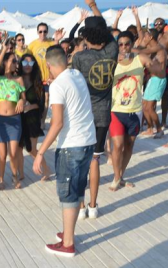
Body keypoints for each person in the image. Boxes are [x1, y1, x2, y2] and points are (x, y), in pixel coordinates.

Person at [34, 46, 96, 257]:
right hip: (88, 141)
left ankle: (68, 243)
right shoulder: (76, 75)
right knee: (77, 190)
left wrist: (40, 153)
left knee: (68, 194)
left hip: (71, 145)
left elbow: (57, 123)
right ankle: (68, 233)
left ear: (48, 65)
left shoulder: (57, 85)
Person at [71, 1, 117, 219]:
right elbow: (107, 31)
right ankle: (93, 206)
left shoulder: (79, 58)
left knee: (81, 162)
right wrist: (94, 6)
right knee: (95, 160)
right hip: (102, 115)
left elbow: (75, 88)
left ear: (86, 37)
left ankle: (80, 208)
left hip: (82, 116)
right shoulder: (113, 51)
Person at [109, 31, 158, 191]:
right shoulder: (112, 61)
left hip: (135, 110)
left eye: (127, 44)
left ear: (132, 44)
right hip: (116, 109)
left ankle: (121, 176)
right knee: (118, 145)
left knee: (129, 145)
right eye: (121, 44)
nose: (124, 47)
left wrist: (154, 65)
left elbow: (157, 69)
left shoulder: (140, 59)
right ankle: (116, 177)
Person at [0, 40, 26, 190]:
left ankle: (14, 176)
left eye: (16, 61)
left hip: (14, 120)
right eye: (13, 61)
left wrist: (22, 101)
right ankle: (0, 179)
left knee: (13, 153)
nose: (16, 64)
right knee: (2, 154)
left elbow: (24, 97)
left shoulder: (18, 79)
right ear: (5, 62)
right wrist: (3, 51)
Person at [19, 53, 49, 181]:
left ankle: (46, 170)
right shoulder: (16, 79)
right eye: (24, 62)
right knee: (18, 148)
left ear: (34, 65)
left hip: (32, 118)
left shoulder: (37, 82)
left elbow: (41, 104)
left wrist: (29, 107)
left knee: (31, 148)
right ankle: (20, 174)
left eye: (30, 63)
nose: (27, 65)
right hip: (19, 117)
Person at [28, 22, 60, 125]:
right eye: (40, 31)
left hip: (48, 77)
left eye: (45, 31)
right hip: (36, 77)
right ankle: (36, 119)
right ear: (37, 32)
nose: (43, 34)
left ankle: (42, 121)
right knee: (37, 99)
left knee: (46, 99)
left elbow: (57, 53)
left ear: (47, 32)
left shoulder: (51, 43)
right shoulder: (32, 45)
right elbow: (27, 59)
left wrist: (57, 40)